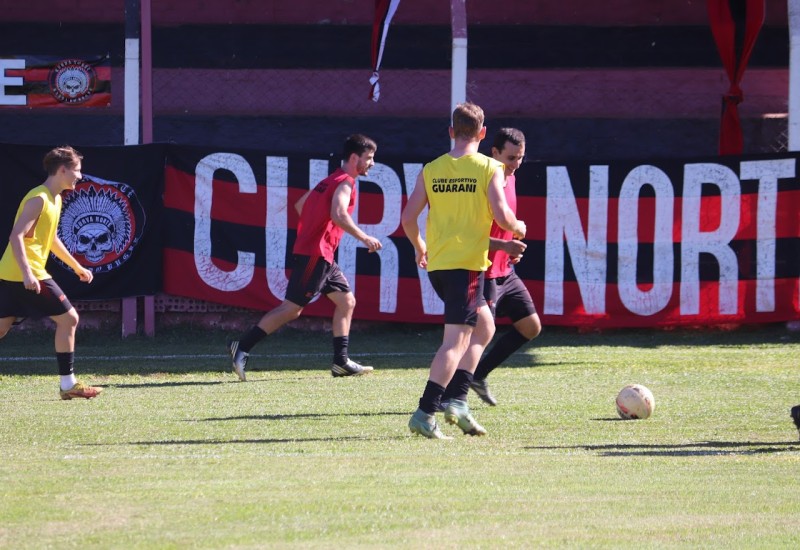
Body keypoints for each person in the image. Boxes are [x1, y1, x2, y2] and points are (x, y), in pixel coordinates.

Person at [401, 103, 526, 439]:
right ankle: (425, 412)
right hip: (466, 267)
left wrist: (419, 246)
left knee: (484, 327)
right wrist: (519, 227)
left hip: (440, 265)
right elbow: (503, 217)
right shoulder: (489, 167)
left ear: (451, 132)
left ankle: (458, 401)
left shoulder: (432, 169)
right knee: (454, 343)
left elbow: (408, 218)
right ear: (483, 134)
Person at [227, 134, 383, 380]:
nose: (372, 163)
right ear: (355, 158)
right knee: (292, 309)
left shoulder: (330, 180)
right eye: (369, 158)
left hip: (323, 255)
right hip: (315, 254)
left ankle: (341, 362)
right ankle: (242, 346)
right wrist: (365, 237)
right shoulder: (345, 182)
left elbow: (301, 205)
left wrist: (316, 228)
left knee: (346, 302)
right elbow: (339, 214)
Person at [441, 128, 542, 407]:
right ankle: (448, 396)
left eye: (520, 158)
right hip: (482, 271)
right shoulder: (484, 182)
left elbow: (503, 227)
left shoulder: (511, 177)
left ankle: (477, 376)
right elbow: (467, 236)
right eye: (511, 158)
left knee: (530, 327)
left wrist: (510, 251)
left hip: (505, 270)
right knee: (476, 335)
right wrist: (504, 246)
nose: (516, 164)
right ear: (494, 152)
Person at [0, 145, 102, 400]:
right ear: (63, 169)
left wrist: (77, 267)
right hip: (25, 273)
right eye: (77, 170)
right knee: (69, 319)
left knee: (1, 328)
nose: (80, 175)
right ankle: (68, 384)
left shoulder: (55, 199)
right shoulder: (39, 199)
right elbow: (16, 236)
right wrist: (27, 274)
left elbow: (52, 239)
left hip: (13, 273)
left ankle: (68, 385)